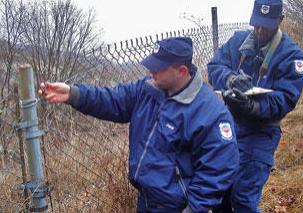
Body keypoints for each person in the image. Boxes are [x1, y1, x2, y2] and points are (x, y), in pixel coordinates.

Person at [39, 37, 239, 213]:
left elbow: (218, 167)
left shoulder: (210, 113)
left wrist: (196, 208)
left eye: (159, 67)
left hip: (177, 206)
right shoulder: (147, 89)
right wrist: (73, 94)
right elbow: (111, 99)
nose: (151, 70)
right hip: (145, 199)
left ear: (182, 71)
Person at [207, 0, 303, 212]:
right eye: (256, 23)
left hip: (261, 132)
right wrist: (230, 79)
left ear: (280, 20)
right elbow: (214, 66)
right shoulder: (238, 41)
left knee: (243, 198)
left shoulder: (291, 55)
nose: (259, 30)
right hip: (227, 128)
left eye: (266, 25)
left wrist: (252, 106)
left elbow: (285, 99)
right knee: (220, 194)